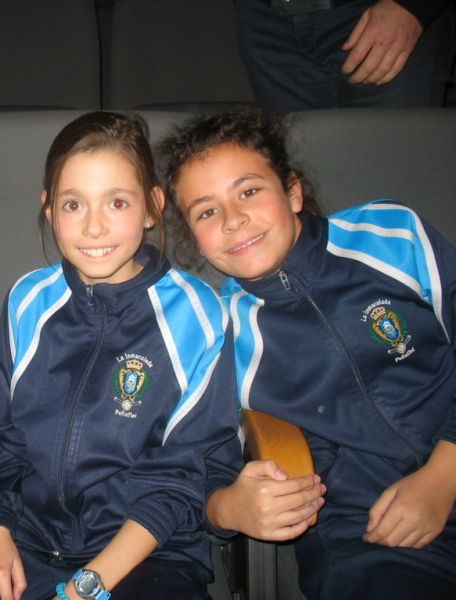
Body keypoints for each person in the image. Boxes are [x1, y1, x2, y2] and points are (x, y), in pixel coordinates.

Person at [0, 111, 242, 600]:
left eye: (117, 202)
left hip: (145, 558)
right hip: (22, 538)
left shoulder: (197, 314)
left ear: (152, 207)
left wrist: (86, 587)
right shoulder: (29, 300)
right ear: (49, 210)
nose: (94, 226)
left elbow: (180, 478)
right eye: (73, 204)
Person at [159, 107, 456, 599]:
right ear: (196, 239)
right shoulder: (221, 331)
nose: (233, 220)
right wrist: (230, 507)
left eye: (249, 191)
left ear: (292, 192)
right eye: (207, 212)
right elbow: (202, 464)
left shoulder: (391, 236)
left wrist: (444, 476)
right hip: (371, 532)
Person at [235, 0, 455, 114]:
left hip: (381, 12)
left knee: (393, 159)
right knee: (295, 167)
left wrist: (413, 5)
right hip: (267, 20)